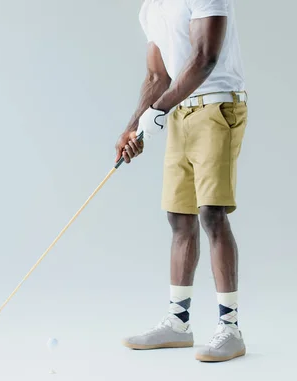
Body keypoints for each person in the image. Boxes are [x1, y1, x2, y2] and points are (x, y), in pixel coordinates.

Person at [116, 0, 248, 362]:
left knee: (212, 213)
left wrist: (158, 111)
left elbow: (205, 56)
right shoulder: (150, 8)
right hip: (180, 110)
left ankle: (231, 329)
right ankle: (178, 324)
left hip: (217, 105)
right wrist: (134, 126)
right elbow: (158, 77)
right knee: (179, 217)